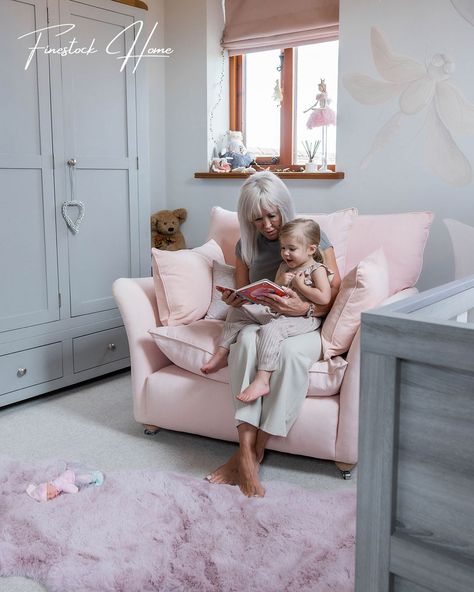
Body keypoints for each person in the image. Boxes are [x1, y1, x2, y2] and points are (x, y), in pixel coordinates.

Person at [205, 171, 341, 497]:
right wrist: (235, 298)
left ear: (284, 207)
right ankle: (248, 457)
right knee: (247, 344)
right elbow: (244, 290)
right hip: (264, 317)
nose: (266, 224)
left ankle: (248, 456)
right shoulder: (246, 245)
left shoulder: (312, 238)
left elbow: (332, 296)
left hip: (306, 321)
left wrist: (302, 309)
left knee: (290, 355)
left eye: (272, 214)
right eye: (257, 219)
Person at [201, 218, 334, 405]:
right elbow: (277, 286)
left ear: (311, 249)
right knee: (239, 310)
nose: (285, 253)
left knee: (270, 329)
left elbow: (324, 298)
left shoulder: (317, 270)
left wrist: (300, 286)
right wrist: (279, 283)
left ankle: (263, 379)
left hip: (304, 319)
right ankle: (222, 353)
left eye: (292, 249)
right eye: (283, 248)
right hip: (279, 311)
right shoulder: (284, 266)